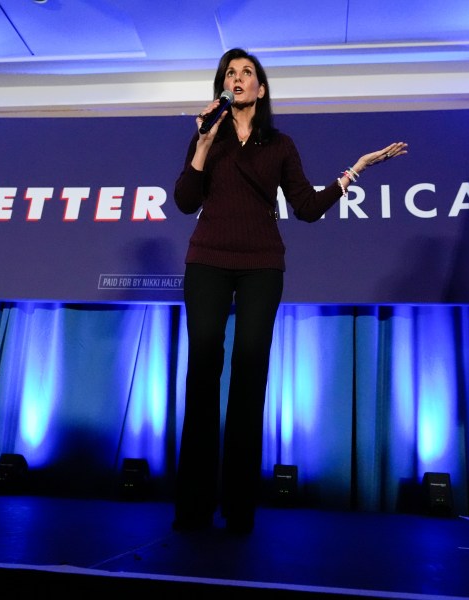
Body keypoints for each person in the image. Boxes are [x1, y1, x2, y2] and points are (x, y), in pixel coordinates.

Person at [172, 48, 408, 534]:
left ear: (260, 89)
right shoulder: (209, 138)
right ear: (223, 86)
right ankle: (192, 508)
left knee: (249, 376)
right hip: (207, 263)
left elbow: (305, 207)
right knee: (202, 375)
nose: (238, 79)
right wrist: (201, 142)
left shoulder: (279, 144)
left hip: (261, 266)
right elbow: (184, 200)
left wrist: (355, 170)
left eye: (247, 74)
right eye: (230, 74)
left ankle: (238, 510)